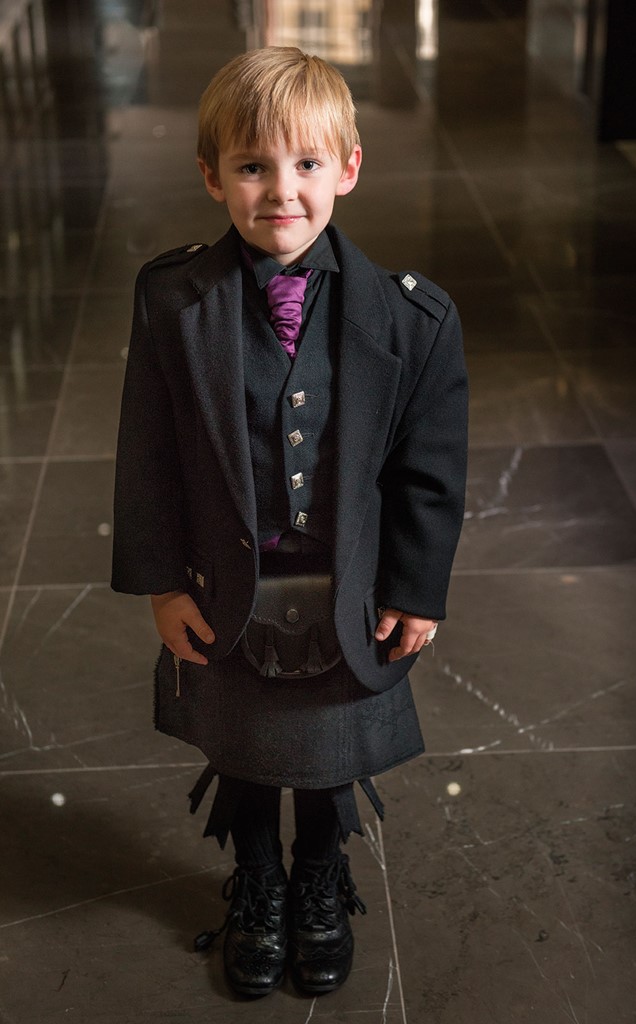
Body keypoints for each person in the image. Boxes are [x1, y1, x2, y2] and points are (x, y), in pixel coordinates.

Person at [112, 46, 468, 999]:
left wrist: (416, 590)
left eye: (307, 163)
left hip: (348, 585)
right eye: (252, 166)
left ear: (348, 168)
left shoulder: (415, 320)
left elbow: (429, 476)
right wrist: (160, 583)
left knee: (325, 750)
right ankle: (259, 876)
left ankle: (318, 870)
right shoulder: (172, 300)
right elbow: (147, 453)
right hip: (227, 584)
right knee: (244, 745)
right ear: (212, 176)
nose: (281, 191)